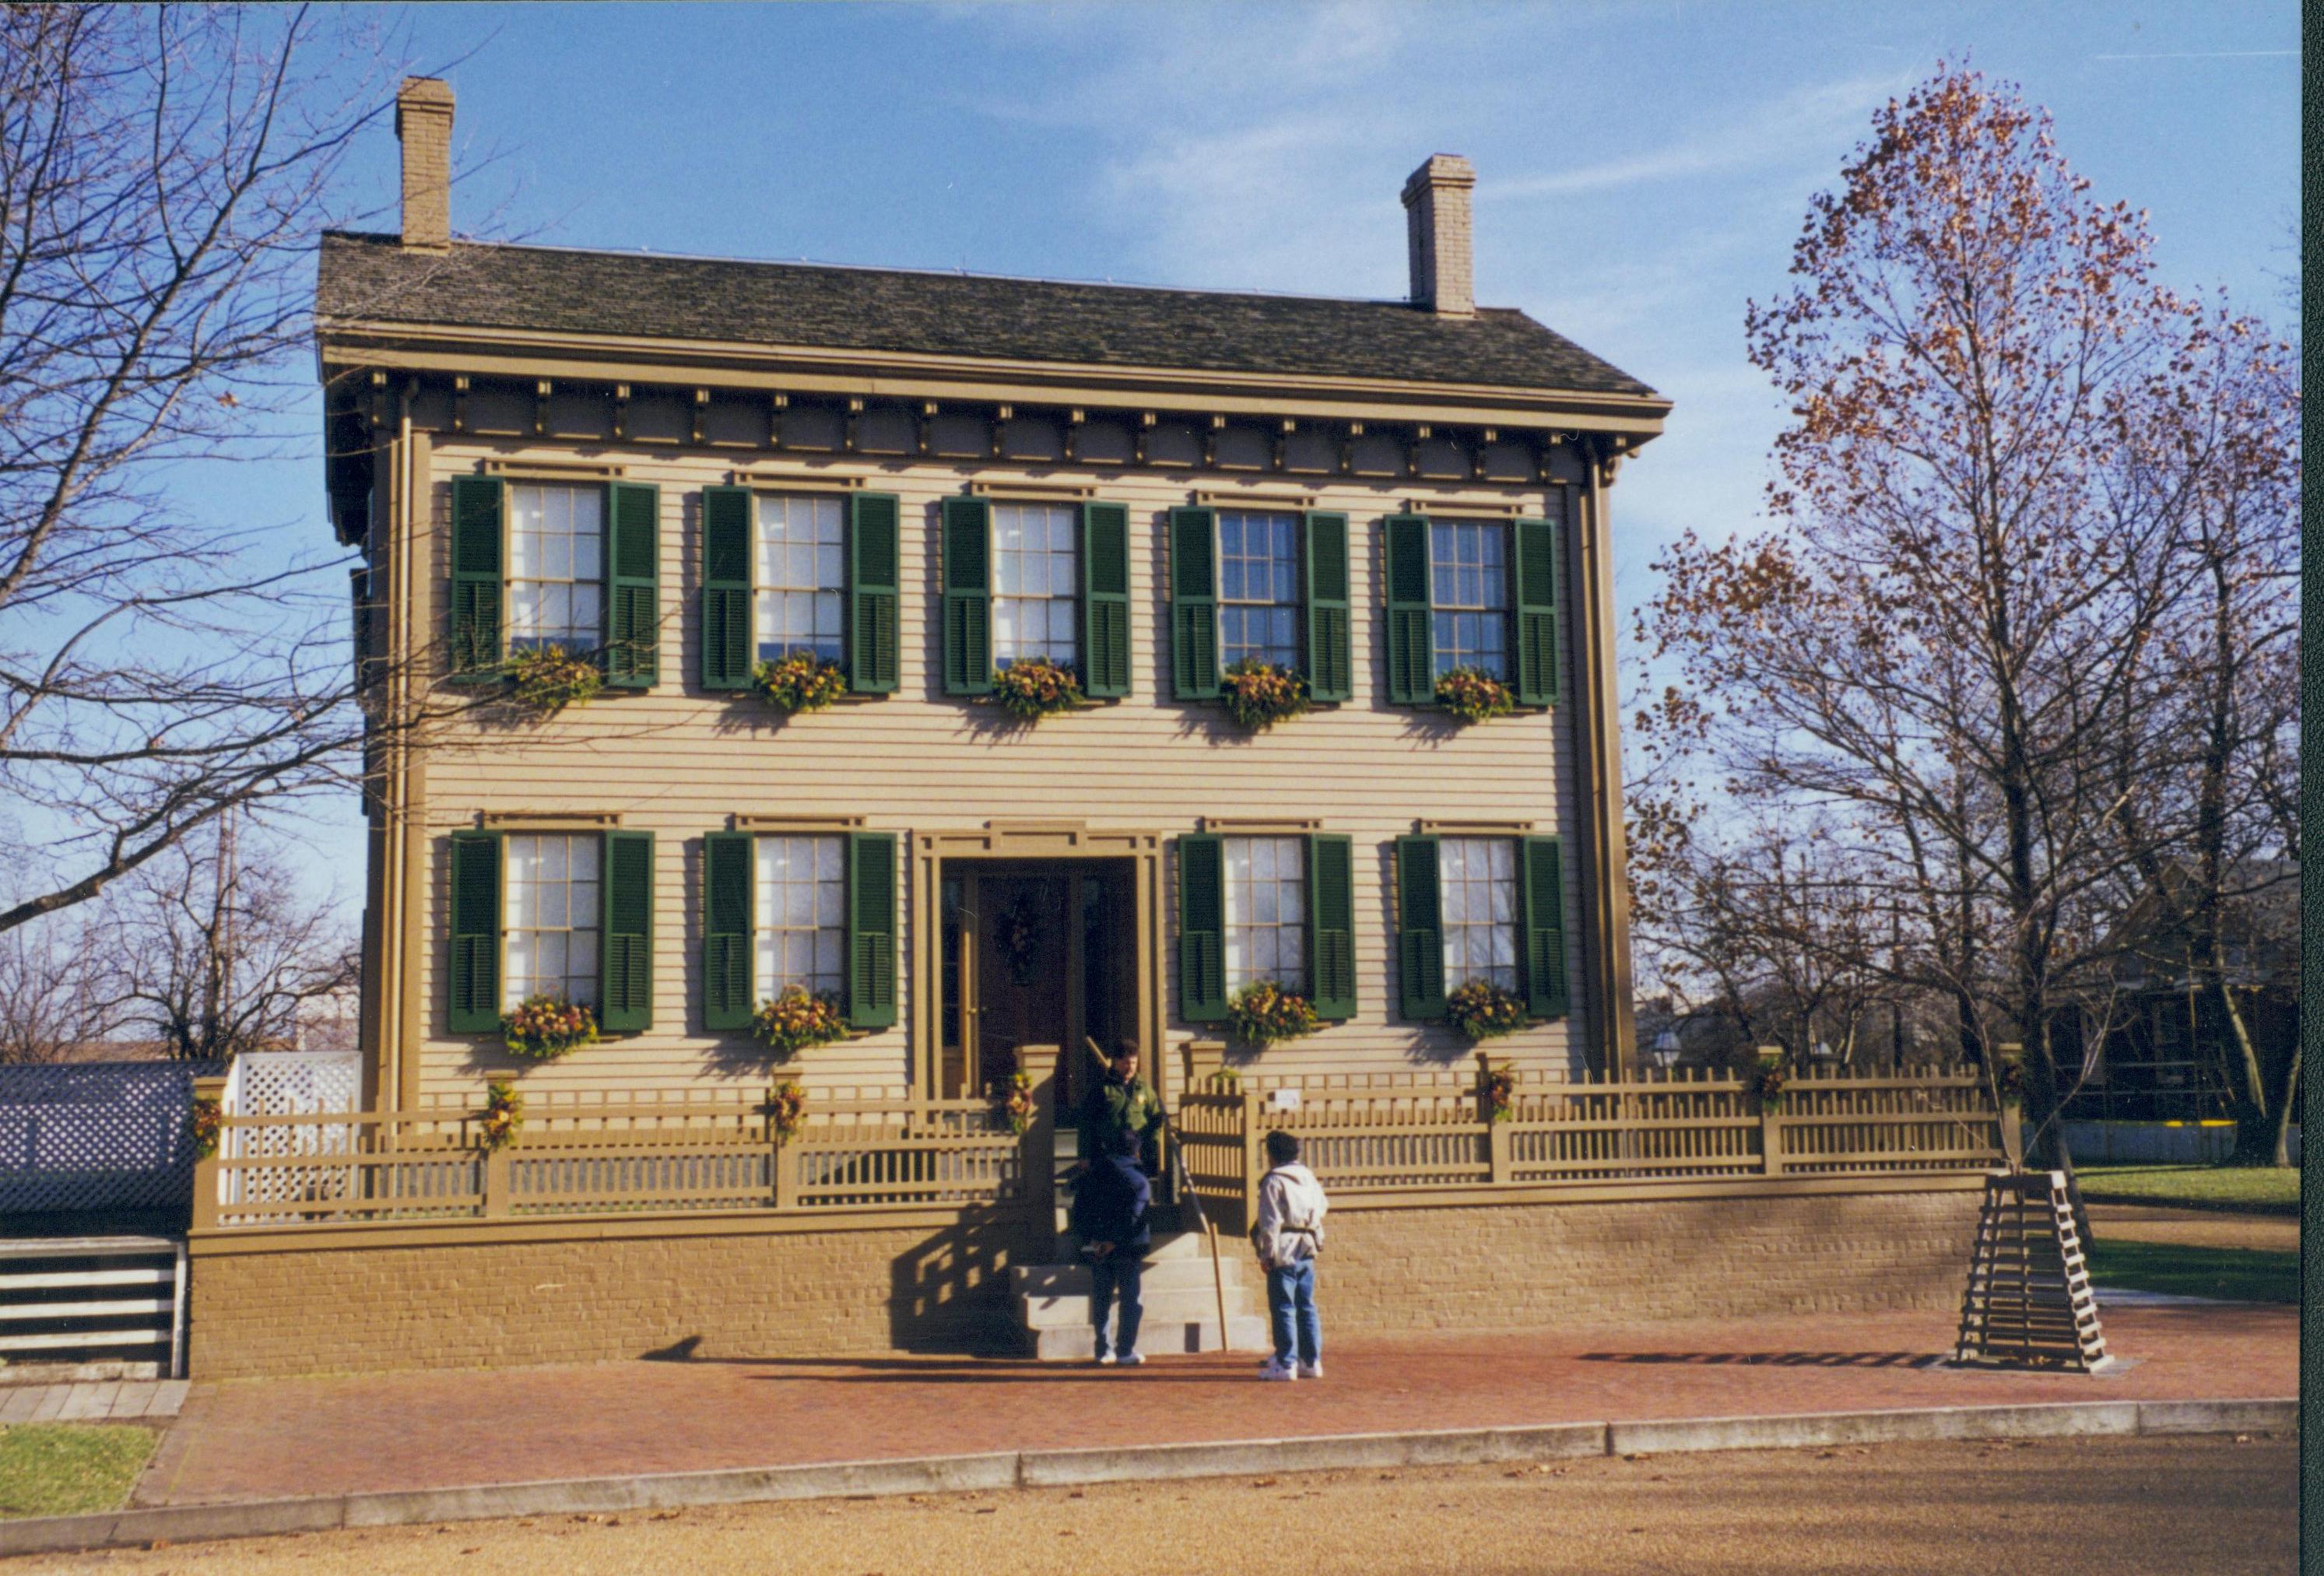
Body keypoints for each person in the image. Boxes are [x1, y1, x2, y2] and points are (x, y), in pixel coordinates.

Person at [1069, 1126, 1151, 1365]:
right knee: (1130, 1300)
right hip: (1126, 1246)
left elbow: (1080, 1211)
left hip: (1097, 1244)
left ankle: (1102, 1349)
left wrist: (1091, 1240)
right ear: (1136, 1151)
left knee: (1102, 1297)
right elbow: (1136, 1217)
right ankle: (1124, 1349)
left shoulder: (1092, 1174)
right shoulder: (1139, 1180)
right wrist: (1114, 1241)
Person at [1251, 1128, 1328, 1381]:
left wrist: (1266, 1254)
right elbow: (1322, 1206)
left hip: (1284, 1247)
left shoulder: (1274, 1180)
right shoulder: (1308, 1177)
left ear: (1272, 1154)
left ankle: (1286, 1363)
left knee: (1284, 1306)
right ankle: (1311, 1360)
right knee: (1306, 1306)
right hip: (1307, 1245)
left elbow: (1270, 1221)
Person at [1076, 1044, 1162, 1171]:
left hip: (1138, 1154)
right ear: (1116, 1062)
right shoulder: (1102, 1089)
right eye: (1126, 1063)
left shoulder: (1144, 1089)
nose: (1131, 1067)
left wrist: (1152, 1145)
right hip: (1110, 1154)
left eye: (1134, 1063)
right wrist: (1084, 1156)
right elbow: (1086, 1124)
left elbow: (1157, 1118)